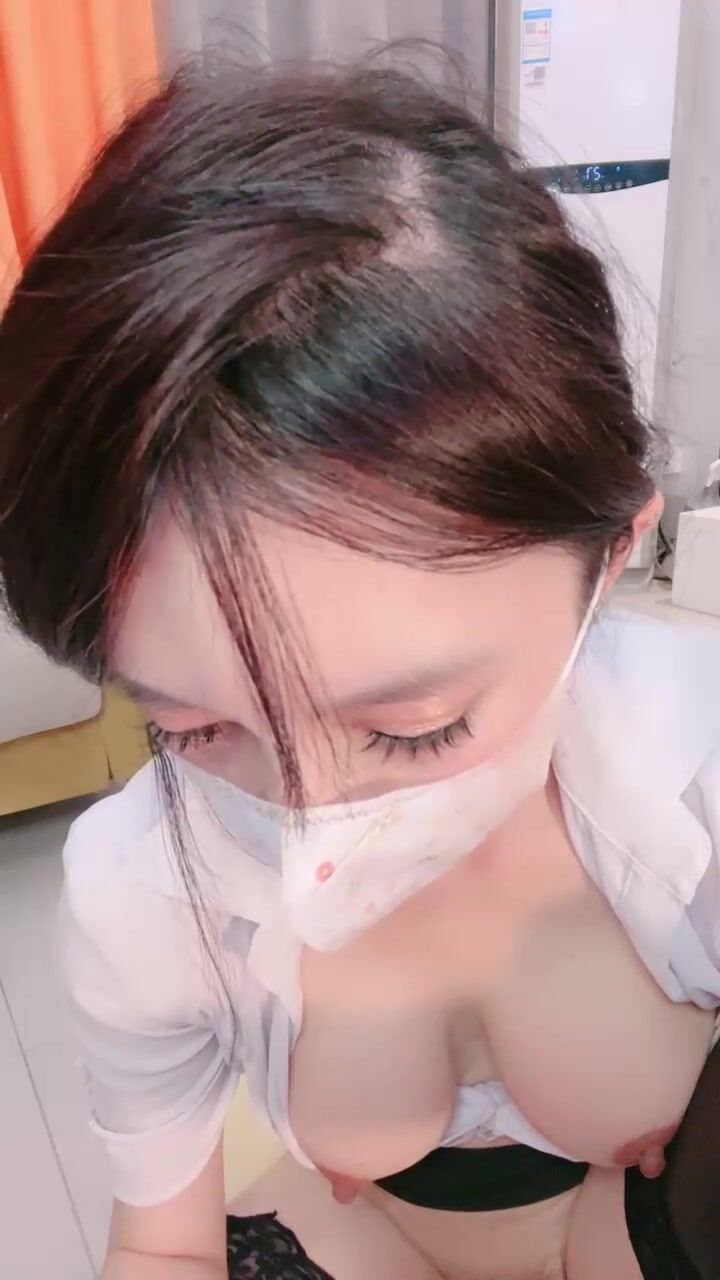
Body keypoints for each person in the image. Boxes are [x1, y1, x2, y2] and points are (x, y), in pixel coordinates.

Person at [0, 56, 719, 1280]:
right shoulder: (143, 890)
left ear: (609, 559)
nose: (314, 808)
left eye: (417, 723)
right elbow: (163, 1242)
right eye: (196, 726)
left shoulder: (698, 770)